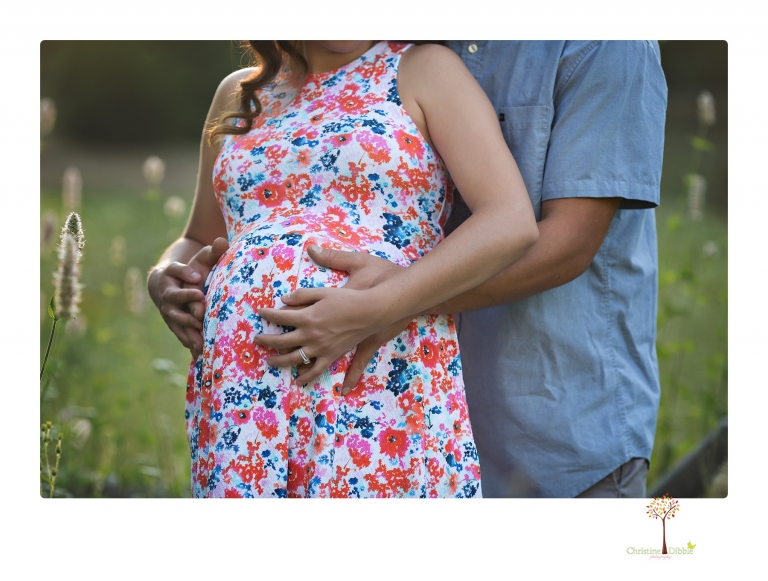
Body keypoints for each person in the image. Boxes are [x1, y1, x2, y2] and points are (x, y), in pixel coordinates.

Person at [147, 40, 538, 498]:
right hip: (243, 395)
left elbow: (510, 220)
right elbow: (198, 235)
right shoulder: (240, 93)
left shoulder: (423, 68)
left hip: (375, 374)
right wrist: (165, 273)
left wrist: (378, 305)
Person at [278, 41, 668, 498]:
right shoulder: (408, 35)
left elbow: (571, 243)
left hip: (559, 431)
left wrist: (388, 302)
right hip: (413, 427)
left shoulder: (605, 41)